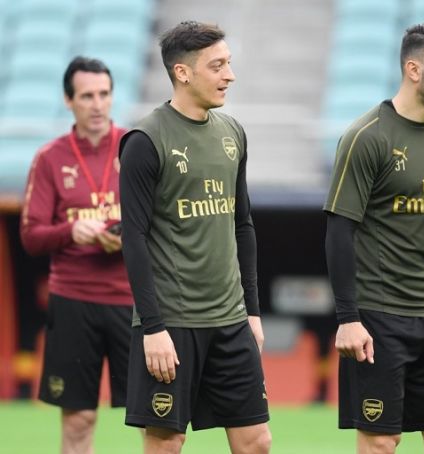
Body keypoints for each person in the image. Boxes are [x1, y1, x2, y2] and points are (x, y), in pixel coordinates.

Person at [323, 22, 424, 454]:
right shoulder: (367, 137)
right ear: (414, 70)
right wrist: (347, 318)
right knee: (381, 443)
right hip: (379, 319)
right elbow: (340, 229)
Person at [118, 21, 271, 453]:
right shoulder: (145, 141)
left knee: (257, 441)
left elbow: (243, 224)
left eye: (229, 64)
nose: (230, 75)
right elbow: (134, 238)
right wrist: (153, 328)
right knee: (167, 444)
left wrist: (252, 312)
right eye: (217, 65)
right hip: (172, 323)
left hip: (230, 320)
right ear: (182, 73)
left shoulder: (233, 133)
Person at [20, 56, 132, 454]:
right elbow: (31, 236)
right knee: (79, 419)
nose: (98, 104)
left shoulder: (136, 148)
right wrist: (73, 231)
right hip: (73, 301)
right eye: (87, 96)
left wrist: (130, 238)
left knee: (158, 419)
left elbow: (166, 224)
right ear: (69, 101)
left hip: (135, 303)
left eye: (104, 94)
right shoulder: (50, 157)